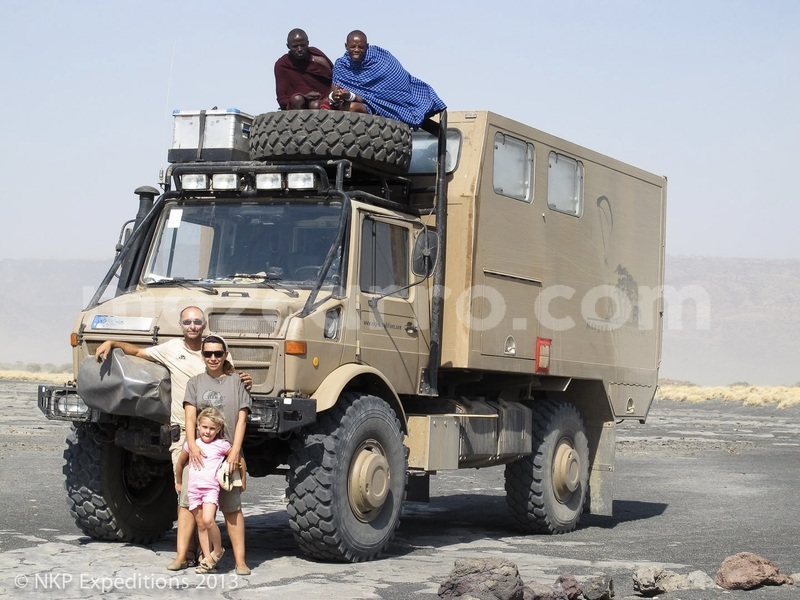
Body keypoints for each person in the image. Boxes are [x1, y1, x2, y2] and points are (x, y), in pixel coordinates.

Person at [93, 306, 251, 571]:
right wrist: (112, 342)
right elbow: (139, 352)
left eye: (197, 321)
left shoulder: (221, 359)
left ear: (205, 326)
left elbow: (233, 381)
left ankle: (212, 554)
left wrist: (243, 379)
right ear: (181, 324)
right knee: (189, 499)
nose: (192, 325)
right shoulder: (173, 352)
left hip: (222, 439)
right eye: (187, 321)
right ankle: (186, 554)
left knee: (222, 501)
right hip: (188, 437)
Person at [184, 335, 252, 576]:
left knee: (232, 509)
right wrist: (192, 445)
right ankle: (206, 556)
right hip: (201, 455)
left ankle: (240, 561)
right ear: (202, 356)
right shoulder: (195, 382)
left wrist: (235, 451)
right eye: (208, 354)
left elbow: (243, 418)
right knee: (200, 511)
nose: (213, 358)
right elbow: (191, 417)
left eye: (217, 353)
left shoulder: (237, 382)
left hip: (228, 455)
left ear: (225, 355)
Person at [330, 30, 446, 129]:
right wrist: (336, 96)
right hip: (362, 106)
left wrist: (351, 95)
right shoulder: (341, 66)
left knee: (354, 107)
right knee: (348, 108)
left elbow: (396, 78)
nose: (356, 50)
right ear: (346, 46)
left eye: (361, 47)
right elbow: (332, 95)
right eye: (352, 46)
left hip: (385, 104)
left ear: (367, 46)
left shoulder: (380, 58)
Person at [174, 407, 232, 574]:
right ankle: (208, 560)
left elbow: (236, 457)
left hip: (210, 490)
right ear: (198, 426)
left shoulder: (222, 445)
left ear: (219, 429)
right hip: (193, 490)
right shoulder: (192, 445)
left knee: (208, 520)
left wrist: (242, 478)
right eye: (205, 427)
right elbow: (180, 464)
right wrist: (178, 481)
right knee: (200, 525)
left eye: (212, 428)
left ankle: (218, 550)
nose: (208, 431)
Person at [274, 28, 333, 110]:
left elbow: (333, 82)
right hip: (296, 104)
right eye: (295, 46)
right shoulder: (282, 64)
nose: (299, 49)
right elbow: (282, 98)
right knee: (298, 99)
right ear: (288, 46)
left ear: (307, 43)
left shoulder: (318, 59)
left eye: (303, 45)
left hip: (321, 102)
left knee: (315, 104)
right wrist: (305, 97)